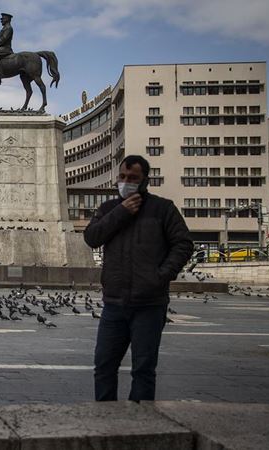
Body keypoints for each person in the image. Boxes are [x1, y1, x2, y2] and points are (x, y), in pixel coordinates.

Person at [83, 155, 193, 402]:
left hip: (149, 304)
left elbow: (183, 244)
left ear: (145, 181)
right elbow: (92, 237)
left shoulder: (163, 209)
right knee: (103, 366)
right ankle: (105, 418)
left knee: (143, 369)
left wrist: (161, 276)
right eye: (122, 177)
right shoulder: (108, 208)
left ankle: (140, 423)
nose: (126, 182)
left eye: (133, 178)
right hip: (114, 304)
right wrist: (121, 212)